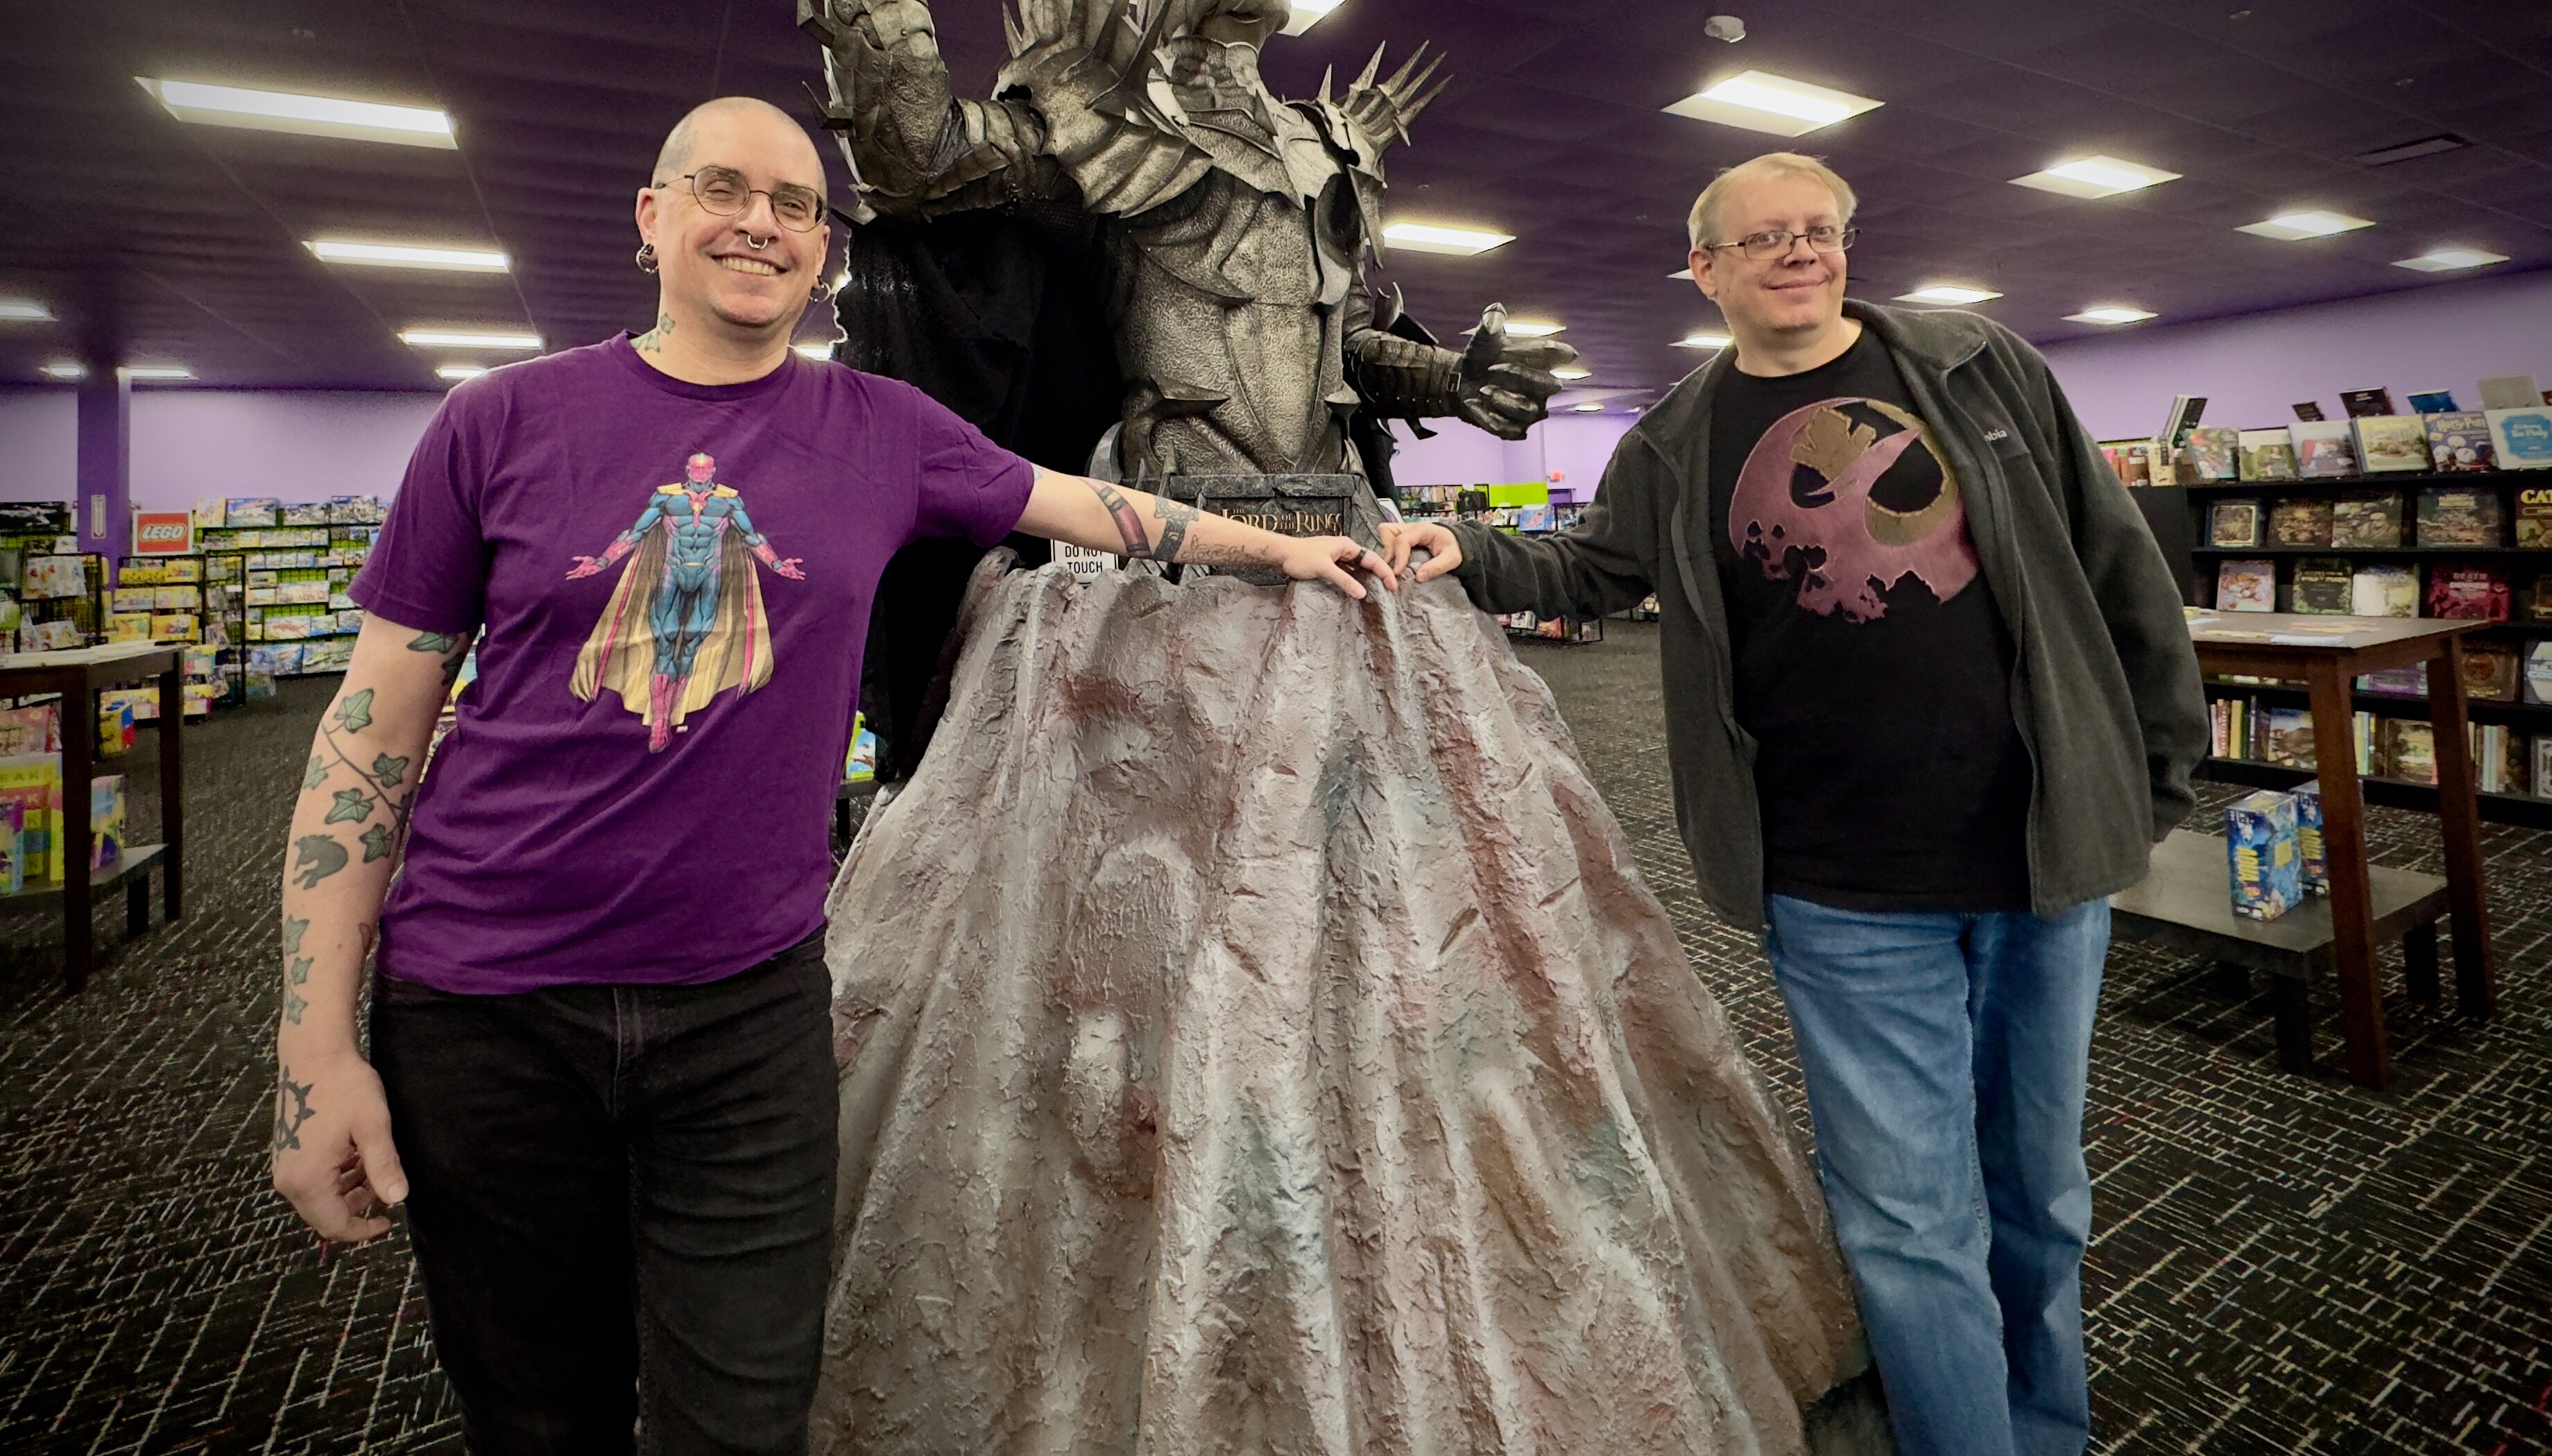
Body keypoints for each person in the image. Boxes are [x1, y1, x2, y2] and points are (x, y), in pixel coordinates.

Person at [266, 94, 1396, 1455]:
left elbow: (1083, 505)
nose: (761, 221)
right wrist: (311, 1050)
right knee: (538, 1415)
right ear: (653, 215)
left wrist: (1277, 549)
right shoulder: (500, 422)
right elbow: (369, 736)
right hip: (489, 1009)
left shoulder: (882, 430)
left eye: (797, 204)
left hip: (745, 1013)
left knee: (745, 1412)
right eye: (724, 188)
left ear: (823, 248)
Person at [1384, 149, 2207, 1456]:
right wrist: (1466, 546)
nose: (1801, 252)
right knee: (1906, 1215)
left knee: (2041, 1192)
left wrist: (2158, 763)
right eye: (1764, 237)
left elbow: (2117, 559)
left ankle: (2043, 1427)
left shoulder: (1979, 366)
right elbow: (1594, 567)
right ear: (1705, 268)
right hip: (1837, 887)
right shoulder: (1679, 436)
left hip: (2043, 854)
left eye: (1821, 230)